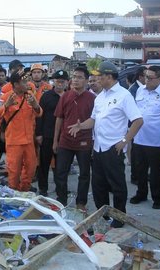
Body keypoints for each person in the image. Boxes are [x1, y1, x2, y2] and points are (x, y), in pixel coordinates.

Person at [68, 61, 143, 228]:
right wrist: (81, 126)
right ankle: (104, 214)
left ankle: (119, 216)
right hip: (98, 147)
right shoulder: (100, 97)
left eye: (100, 76)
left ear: (109, 76)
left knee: (117, 185)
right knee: (98, 185)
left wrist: (124, 140)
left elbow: (138, 120)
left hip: (113, 148)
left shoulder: (124, 95)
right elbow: (93, 119)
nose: (97, 79)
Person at [130, 66, 160, 210]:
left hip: (156, 141)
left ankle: (157, 198)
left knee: (156, 173)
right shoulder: (139, 90)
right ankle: (141, 193)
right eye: (145, 76)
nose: (146, 80)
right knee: (140, 170)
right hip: (139, 138)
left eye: (150, 78)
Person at [53, 67, 95, 210]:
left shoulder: (92, 98)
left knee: (84, 174)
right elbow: (59, 118)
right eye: (74, 76)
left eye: (80, 77)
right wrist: (55, 140)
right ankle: (61, 200)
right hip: (65, 140)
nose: (76, 79)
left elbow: (95, 121)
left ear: (87, 80)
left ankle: (81, 203)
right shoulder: (65, 96)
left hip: (84, 141)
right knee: (60, 172)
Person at [0, 72, 42, 192]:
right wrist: (6, 106)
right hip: (14, 141)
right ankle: (13, 194)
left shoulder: (30, 96)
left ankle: (24, 192)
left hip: (29, 140)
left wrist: (36, 105)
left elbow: (39, 113)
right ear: (16, 84)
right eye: (24, 82)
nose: (28, 84)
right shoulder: (6, 97)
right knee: (14, 171)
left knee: (31, 169)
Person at [35, 70, 67, 196]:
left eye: (62, 81)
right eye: (58, 81)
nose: (60, 84)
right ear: (54, 81)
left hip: (63, 137)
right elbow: (39, 116)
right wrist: (39, 134)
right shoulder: (46, 96)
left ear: (66, 82)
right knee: (44, 164)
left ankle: (61, 189)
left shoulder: (69, 96)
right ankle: (43, 189)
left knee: (61, 166)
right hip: (47, 135)